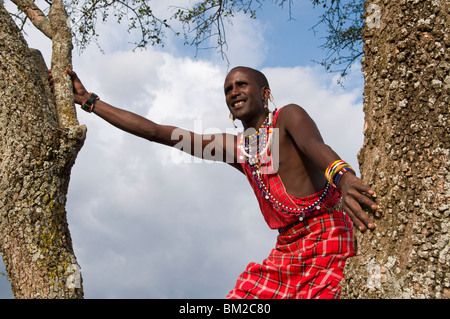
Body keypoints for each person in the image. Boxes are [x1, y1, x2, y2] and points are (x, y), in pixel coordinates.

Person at [51, 66, 378, 299]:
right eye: (227, 89)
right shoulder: (240, 149)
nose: (234, 91)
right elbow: (157, 132)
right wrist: (89, 101)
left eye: (241, 84)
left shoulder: (288, 117)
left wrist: (344, 177)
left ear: (265, 93)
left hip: (327, 235)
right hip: (287, 250)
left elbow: (314, 146)